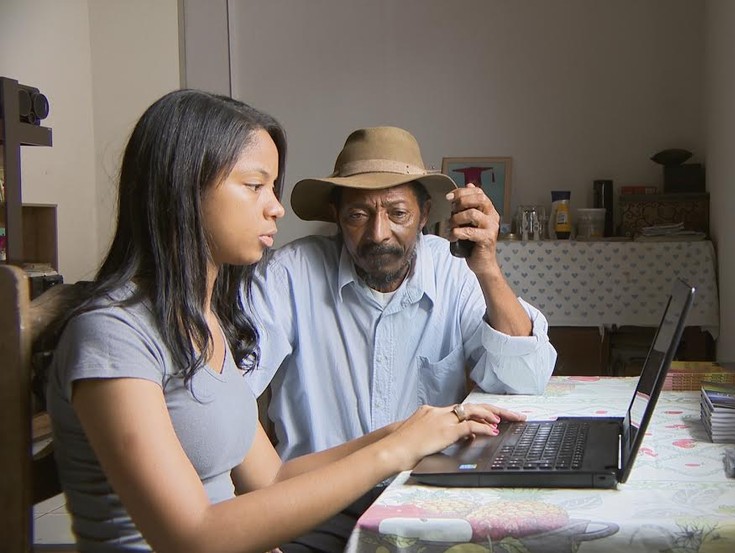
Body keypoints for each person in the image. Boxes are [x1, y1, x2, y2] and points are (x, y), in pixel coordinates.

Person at [45, 91, 522, 553]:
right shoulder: (114, 333)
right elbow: (191, 538)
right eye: (255, 186)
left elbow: (271, 478)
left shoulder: (203, 322)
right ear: (183, 190)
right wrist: (393, 452)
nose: (275, 207)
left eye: (272, 188)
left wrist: (408, 431)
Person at [245, 126, 557, 550]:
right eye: (358, 215)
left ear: (425, 214)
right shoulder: (286, 276)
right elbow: (230, 395)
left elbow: (527, 378)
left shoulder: (453, 273)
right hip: (314, 509)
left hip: (429, 506)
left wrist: (486, 267)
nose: (378, 234)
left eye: (397, 213)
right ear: (336, 216)